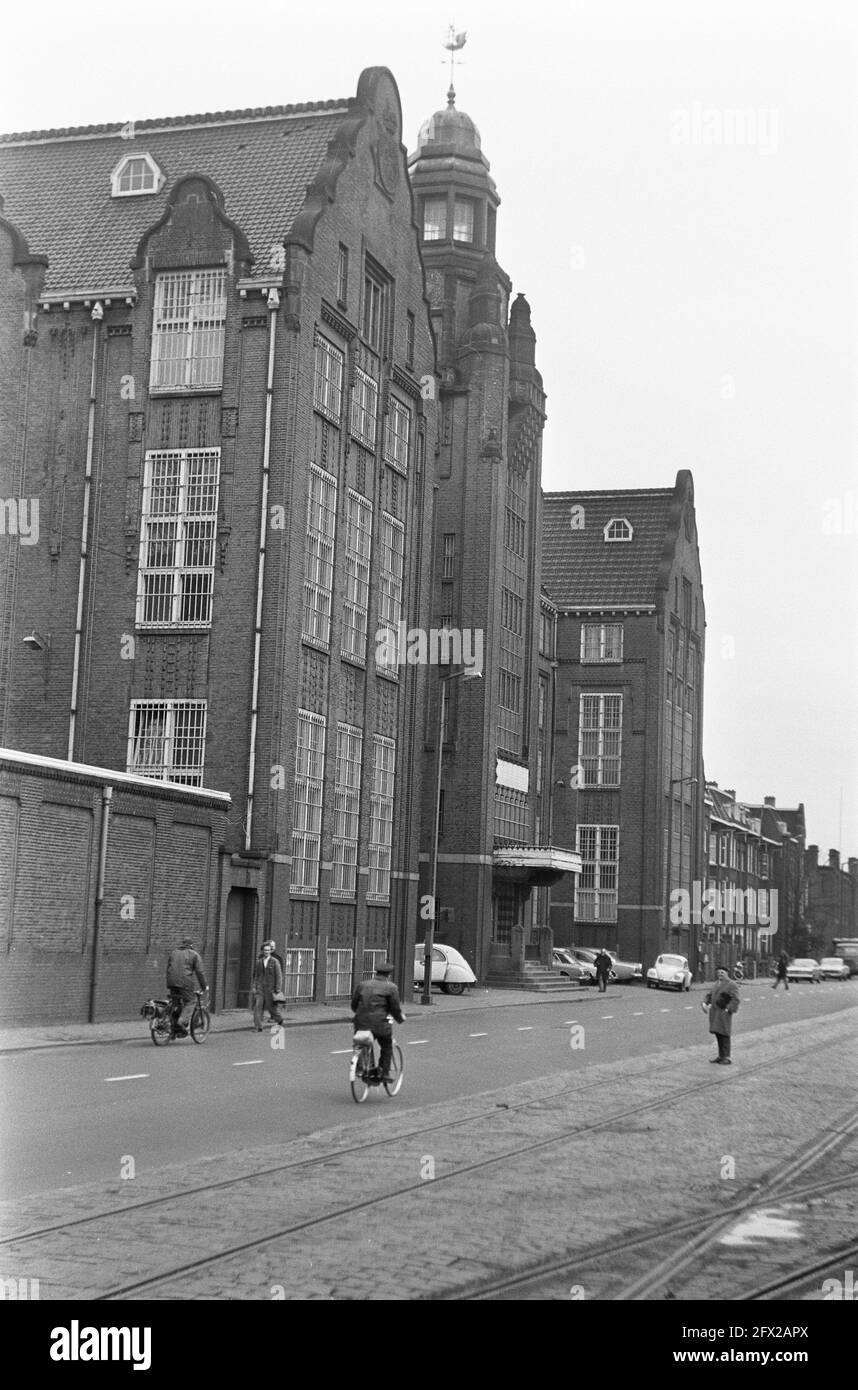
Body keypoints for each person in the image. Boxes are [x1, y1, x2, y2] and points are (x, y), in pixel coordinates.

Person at [350, 961, 404, 1082]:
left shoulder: (362, 985)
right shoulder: (392, 987)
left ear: (376, 972)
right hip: (380, 1024)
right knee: (386, 1044)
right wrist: (400, 1019)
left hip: (360, 1022)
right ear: (388, 975)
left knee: (363, 1042)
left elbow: (354, 1005)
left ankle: (362, 1068)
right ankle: (384, 1073)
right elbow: (395, 1008)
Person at [166, 936, 208, 1036]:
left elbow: (168, 967)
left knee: (176, 1003)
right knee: (191, 1001)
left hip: (171, 982)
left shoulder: (174, 952)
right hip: (184, 983)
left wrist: (169, 983)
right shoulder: (194, 954)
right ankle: (181, 1021)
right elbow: (200, 972)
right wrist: (204, 986)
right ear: (191, 945)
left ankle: (174, 1028)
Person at [702, 967, 740, 1064]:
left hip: (724, 1013)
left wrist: (728, 1009)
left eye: (722, 972)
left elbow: (735, 999)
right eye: (718, 973)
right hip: (715, 1013)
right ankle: (721, 1056)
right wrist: (705, 1003)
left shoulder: (732, 984)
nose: (720, 974)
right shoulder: (716, 984)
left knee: (724, 1034)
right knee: (718, 1033)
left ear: (727, 973)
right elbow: (709, 995)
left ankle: (727, 1057)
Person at [252, 941, 286, 1030]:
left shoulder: (275, 962)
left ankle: (280, 1019)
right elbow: (256, 976)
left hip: (270, 990)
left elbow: (279, 976)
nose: (266, 952)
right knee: (257, 1008)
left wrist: (278, 988)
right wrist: (254, 987)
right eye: (265, 950)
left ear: (270, 951)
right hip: (260, 989)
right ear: (262, 951)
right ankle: (258, 1027)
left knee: (271, 1008)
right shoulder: (259, 962)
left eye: (268, 950)